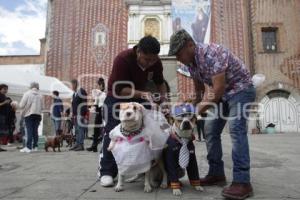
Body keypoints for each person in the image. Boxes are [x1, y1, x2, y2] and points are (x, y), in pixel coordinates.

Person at [169, 29, 256, 200]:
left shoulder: (213, 53)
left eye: (179, 54)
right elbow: (200, 92)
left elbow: (217, 90)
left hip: (241, 90)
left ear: (190, 45)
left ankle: (243, 182)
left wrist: (194, 112)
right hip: (224, 95)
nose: (178, 59)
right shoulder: (191, 64)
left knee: (236, 129)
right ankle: (216, 173)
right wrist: (185, 108)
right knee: (209, 129)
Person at [99, 35, 168, 187]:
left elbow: (160, 82)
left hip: (138, 97)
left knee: (148, 128)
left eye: (153, 60)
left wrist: (163, 100)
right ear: (138, 52)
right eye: (146, 59)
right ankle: (106, 171)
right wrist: (142, 94)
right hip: (116, 98)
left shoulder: (155, 62)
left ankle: (142, 168)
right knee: (112, 132)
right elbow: (120, 90)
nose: (149, 63)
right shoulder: (123, 59)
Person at [19, 82, 43, 153]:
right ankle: (35, 147)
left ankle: (28, 147)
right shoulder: (40, 95)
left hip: (29, 114)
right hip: (38, 115)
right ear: (37, 87)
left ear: (31, 86)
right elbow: (43, 107)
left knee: (29, 130)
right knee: (35, 131)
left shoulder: (27, 93)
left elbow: (21, 105)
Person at [87, 77, 106, 152]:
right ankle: (94, 146)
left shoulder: (103, 94)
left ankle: (102, 146)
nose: (97, 86)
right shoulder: (98, 94)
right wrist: (91, 106)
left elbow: (102, 104)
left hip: (103, 112)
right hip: (98, 112)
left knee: (103, 130)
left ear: (101, 85)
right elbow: (95, 103)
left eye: (98, 85)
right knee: (96, 129)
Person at [70, 79, 88, 151]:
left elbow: (84, 103)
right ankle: (77, 144)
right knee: (77, 130)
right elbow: (74, 104)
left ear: (75, 84)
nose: (72, 87)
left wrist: (82, 114)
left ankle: (81, 145)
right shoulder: (74, 94)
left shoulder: (81, 91)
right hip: (75, 114)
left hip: (80, 114)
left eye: (72, 85)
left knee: (80, 129)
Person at [0, 84, 11, 151]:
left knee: (1, 132)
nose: (5, 90)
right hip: (0, 115)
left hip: (3, 116)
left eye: (6, 89)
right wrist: (5, 102)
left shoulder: (4, 96)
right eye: (4, 89)